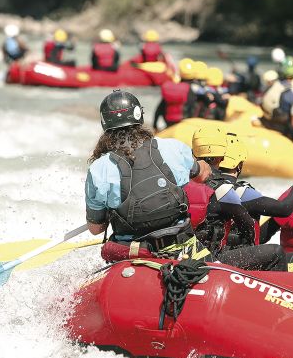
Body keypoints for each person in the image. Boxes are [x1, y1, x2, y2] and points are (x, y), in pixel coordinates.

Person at [85, 90, 211, 261]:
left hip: (132, 254)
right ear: (139, 116)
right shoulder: (173, 147)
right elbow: (201, 176)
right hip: (182, 249)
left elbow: (96, 229)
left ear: (105, 123)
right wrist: (203, 165)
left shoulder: (98, 169)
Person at [184, 127, 287, 271]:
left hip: (184, 255)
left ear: (194, 152)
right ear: (222, 156)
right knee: (277, 252)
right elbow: (247, 225)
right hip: (212, 259)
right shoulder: (223, 189)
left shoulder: (181, 181)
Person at [154, 58, 202, 129]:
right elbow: (193, 108)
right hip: (186, 123)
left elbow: (160, 108)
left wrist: (155, 125)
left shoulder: (172, 87)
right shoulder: (196, 89)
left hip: (169, 123)